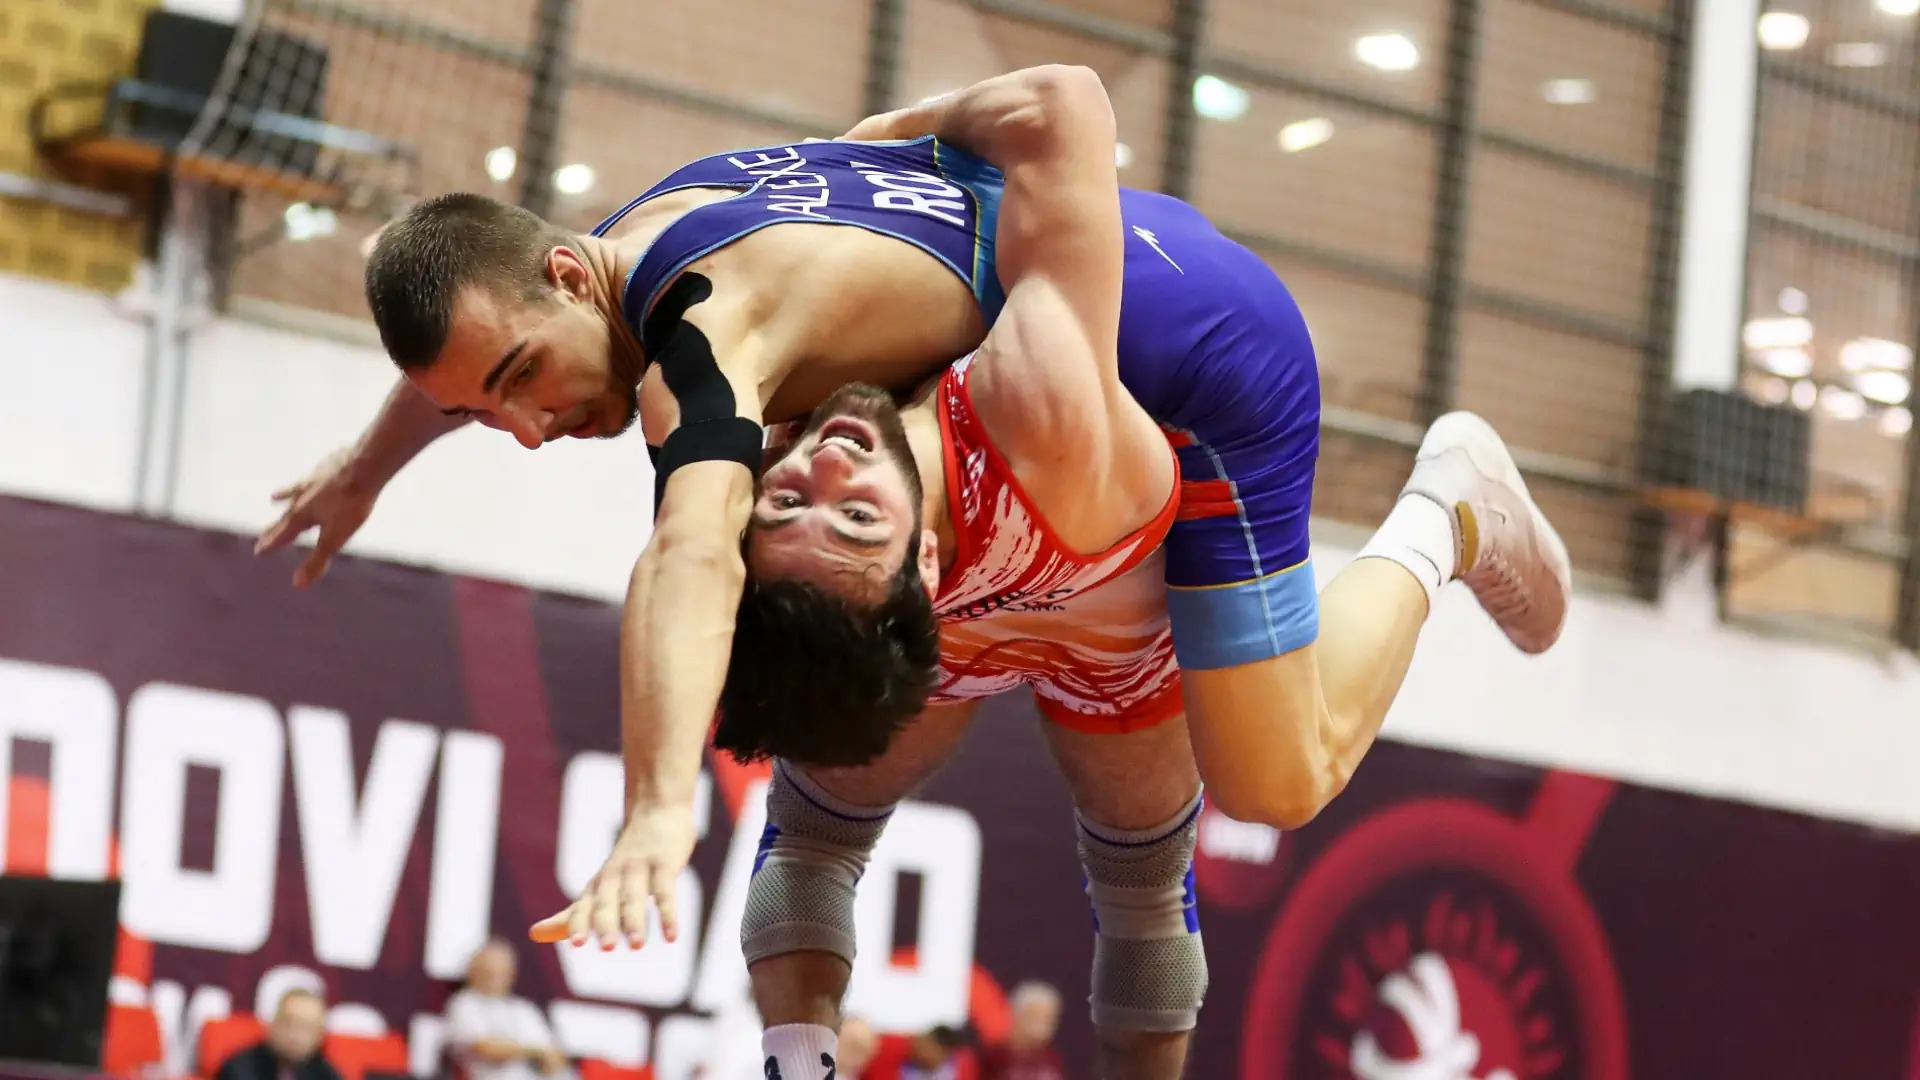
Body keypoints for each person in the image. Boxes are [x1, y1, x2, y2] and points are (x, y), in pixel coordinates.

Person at [257, 65, 1568, 947]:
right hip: (1092, 282)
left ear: (564, 275)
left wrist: (659, 803)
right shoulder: (639, 235)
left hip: (1196, 367)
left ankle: (1442, 507)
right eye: (492, 414)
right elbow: (470, 351)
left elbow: (688, 556)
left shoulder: (705, 336)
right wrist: (364, 467)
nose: (531, 434)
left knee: (1274, 775)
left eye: (520, 387)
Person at [700, 68, 1560, 1078]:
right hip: (1020, 513)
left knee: (1269, 783)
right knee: (816, 797)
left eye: (800, 499)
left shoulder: (1007, 400)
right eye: (829, 507)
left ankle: (1441, 515)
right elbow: (702, 603)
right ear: (922, 576)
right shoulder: (808, 531)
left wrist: (889, 140)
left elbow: (1067, 106)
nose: (819, 467)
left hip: (1197, 389)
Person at [444, 939, 574, 1080]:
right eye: (489, 971)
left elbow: (554, 1057)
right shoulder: (464, 1004)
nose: (496, 976)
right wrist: (534, 1052)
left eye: (502, 971)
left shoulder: (524, 1009)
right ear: (473, 972)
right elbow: (486, 1048)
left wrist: (546, 1059)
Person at [214, 989, 343, 1080]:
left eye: (306, 1028)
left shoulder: (327, 1075)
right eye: (289, 1023)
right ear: (272, 1025)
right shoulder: (239, 1068)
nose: (296, 1036)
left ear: (320, 1037)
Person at [977, 983, 1064, 1080]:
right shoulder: (992, 1058)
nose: (1042, 1026)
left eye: (1048, 1020)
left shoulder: (1052, 1061)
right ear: (1015, 1015)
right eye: (1035, 1017)